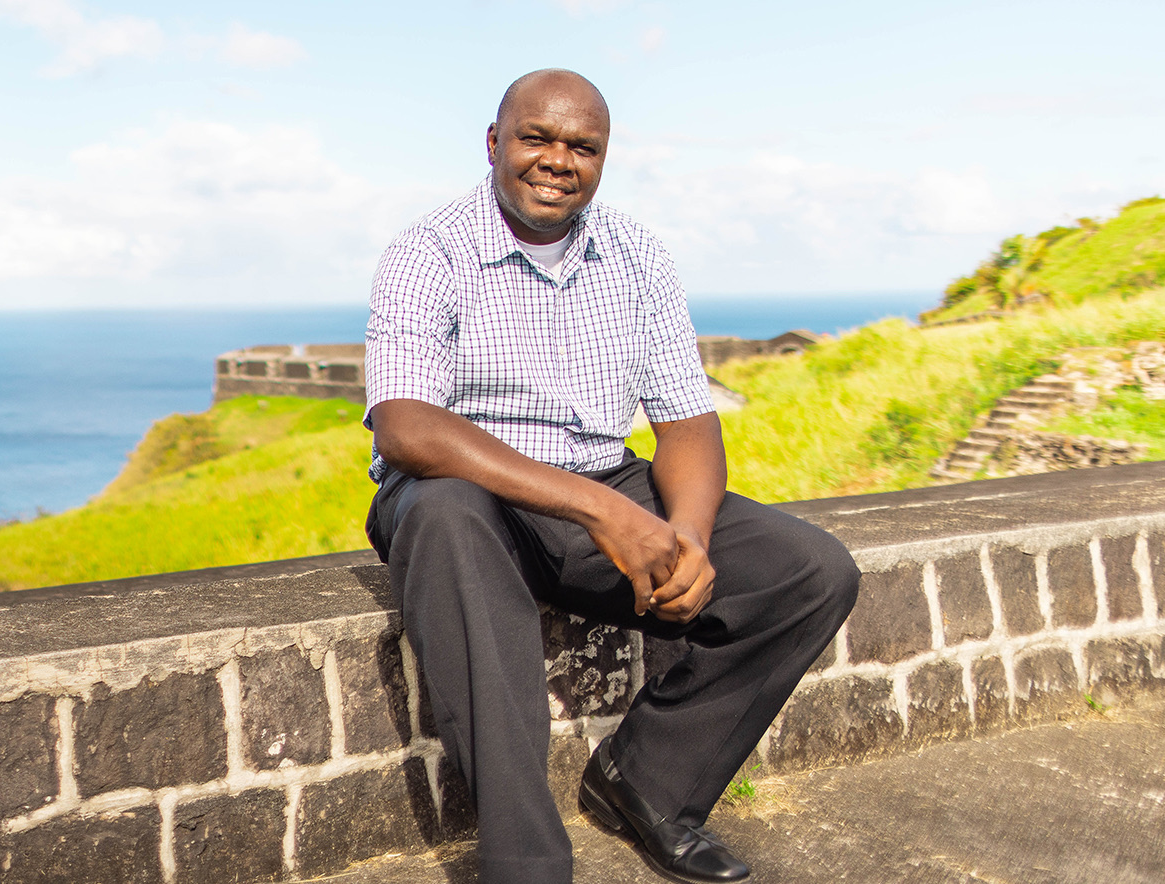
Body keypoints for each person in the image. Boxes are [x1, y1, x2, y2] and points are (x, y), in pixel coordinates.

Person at [361, 69, 860, 884]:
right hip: (471, 493)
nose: (558, 159)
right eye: (536, 138)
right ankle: (526, 860)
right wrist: (605, 514)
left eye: (581, 146)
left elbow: (687, 419)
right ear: (494, 144)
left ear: (602, 159)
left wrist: (686, 540)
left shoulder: (636, 254)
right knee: (446, 515)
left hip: (603, 479)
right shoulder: (431, 250)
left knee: (810, 572)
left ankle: (651, 786)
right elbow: (407, 426)